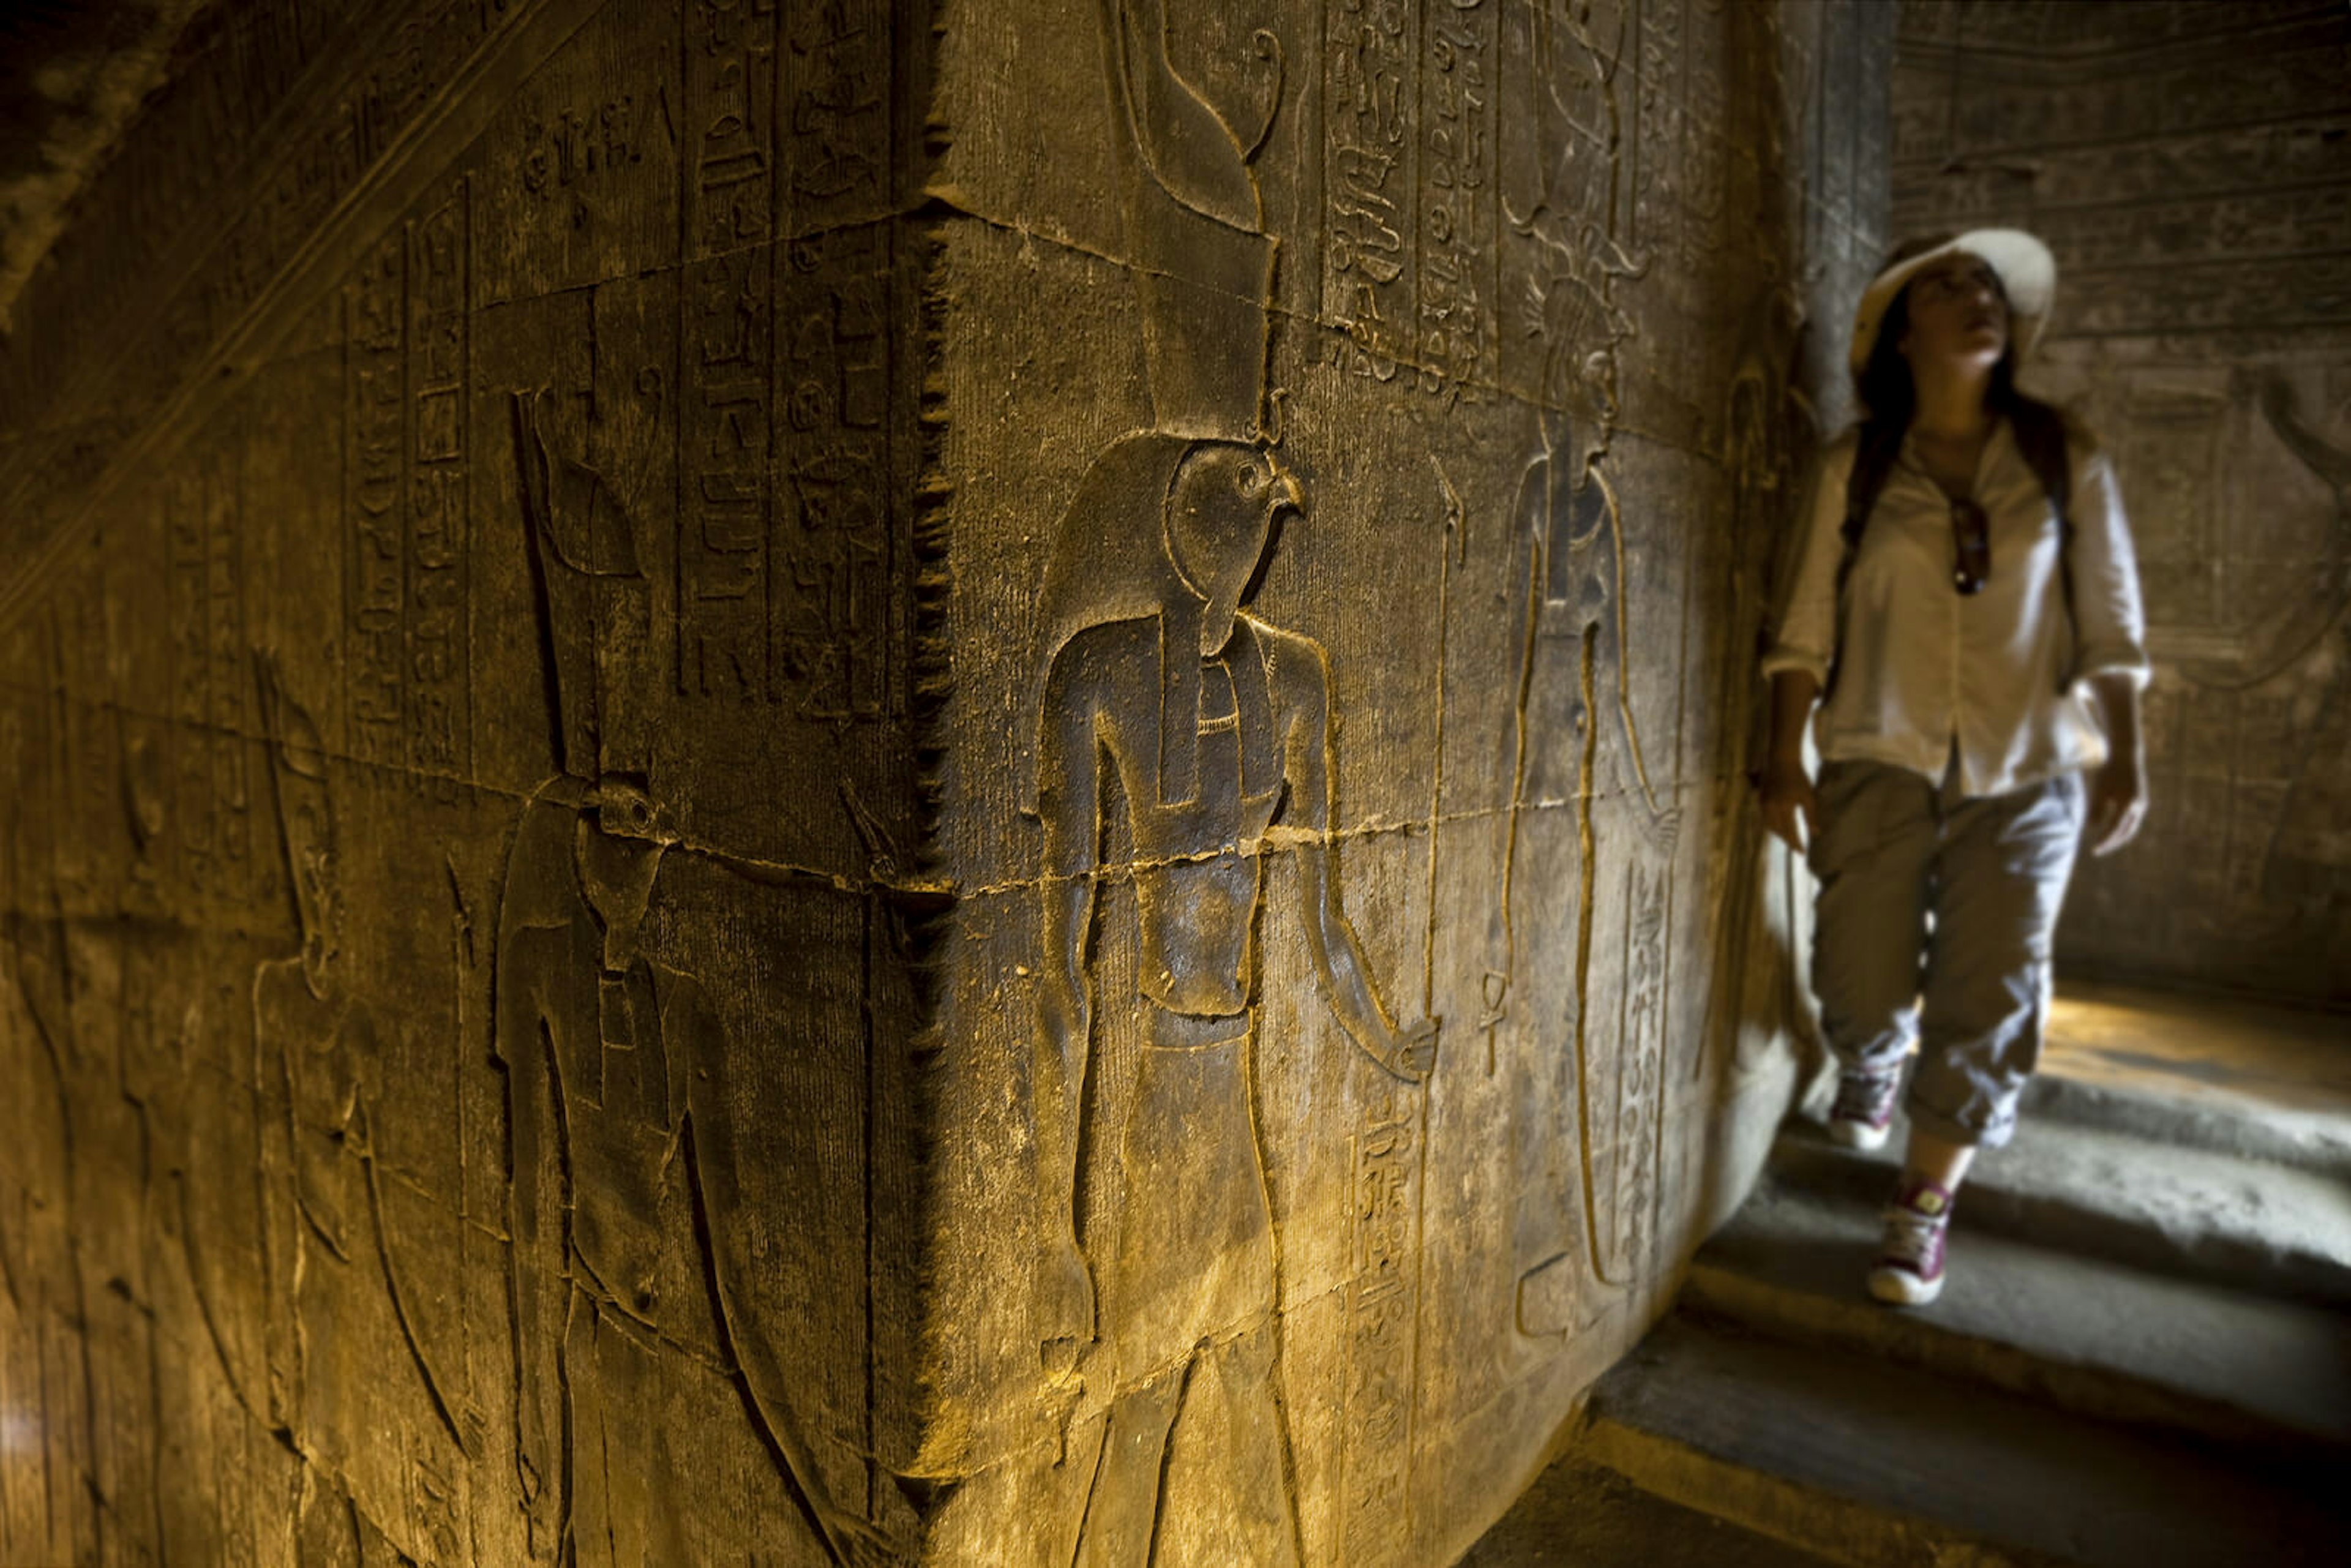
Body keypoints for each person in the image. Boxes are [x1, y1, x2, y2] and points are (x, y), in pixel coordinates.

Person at [1757, 231, 2151, 1306]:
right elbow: (1801, 624)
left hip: (2030, 769)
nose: (1977, 298)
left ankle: (1921, 1205)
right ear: (1901, 333)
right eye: (1948, 286)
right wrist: (1781, 756)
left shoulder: (2063, 455)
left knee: (1994, 987)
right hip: (1876, 752)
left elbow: (2110, 619)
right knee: (1862, 969)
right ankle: (1871, 1052)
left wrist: (2126, 755)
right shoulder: (1860, 465)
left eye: (1987, 287)